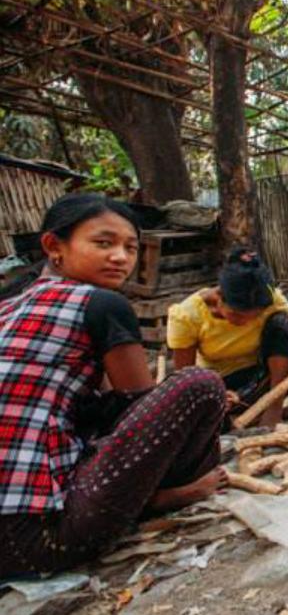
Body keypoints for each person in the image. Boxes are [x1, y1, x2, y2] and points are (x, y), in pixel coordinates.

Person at [0, 194, 227, 578]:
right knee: (200, 386)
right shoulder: (100, 303)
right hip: (35, 541)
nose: (121, 257)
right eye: (103, 243)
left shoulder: (8, 307)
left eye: (130, 248)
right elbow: (136, 409)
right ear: (54, 246)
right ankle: (164, 497)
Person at [167, 248, 288, 426]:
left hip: (266, 378)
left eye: (254, 316)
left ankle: (273, 410)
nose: (246, 322)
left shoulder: (269, 299)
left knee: (282, 323)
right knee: (208, 420)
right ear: (219, 297)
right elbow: (186, 378)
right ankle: (251, 413)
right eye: (238, 315)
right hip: (220, 384)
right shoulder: (187, 316)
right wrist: (216, 393)